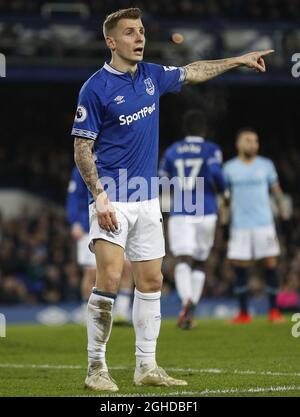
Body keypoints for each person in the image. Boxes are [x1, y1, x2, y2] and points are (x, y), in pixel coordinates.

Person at [71, 7, 274, 392]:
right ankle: (95, 368)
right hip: (114, 195)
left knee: (151, 281)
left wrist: (237, 60)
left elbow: (193, 71)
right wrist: (98, 196)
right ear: (111, 41)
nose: (139, 38)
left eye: (142, 31)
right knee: (111, 277)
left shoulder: (151, 76)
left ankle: (146, 366)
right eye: (130, 32)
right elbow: (83, 148)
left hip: (147, 198)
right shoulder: (94, 88)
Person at [159, 110, 226, 329]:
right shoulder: (211, 149)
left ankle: (186, 301)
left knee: (183, 259)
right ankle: (193, 305)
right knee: (200, 260)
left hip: (181, 209)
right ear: (204, 130)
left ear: (185, 130)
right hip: (206, 209)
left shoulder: (173, 150)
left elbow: (162, 179)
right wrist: (224, 193)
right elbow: (216, 174)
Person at [222, 127, 288, 323]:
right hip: (240, 225)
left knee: (270, 264)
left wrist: (284, 215)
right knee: (240, 267)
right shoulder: (229, 168)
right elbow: (225, 200)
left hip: (264, 223)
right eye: (249, 140)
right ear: (239, 144)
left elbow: (277, 192)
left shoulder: (266, 165)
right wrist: (224, 222)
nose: (253, 144)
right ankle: (243, 313)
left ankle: (274, 311)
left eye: (256, 141)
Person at [66, 165, 133, 323]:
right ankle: (87, 312)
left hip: (120, 221)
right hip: (88, 223)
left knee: (127, 268)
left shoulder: (121, 161)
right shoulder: (84, 165)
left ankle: (122, 312)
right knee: (92, 272)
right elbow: (74, 195)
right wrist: (74, 221)